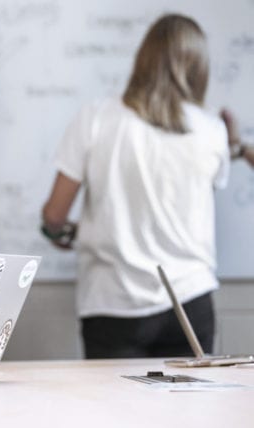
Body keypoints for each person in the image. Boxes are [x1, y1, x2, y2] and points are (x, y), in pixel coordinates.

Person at [40, 14, 229, 359]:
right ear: (199, 67)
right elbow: (194, 204)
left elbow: (55, 214)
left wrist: (60, 233)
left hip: (113, 302)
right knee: (192, 413)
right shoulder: (211, 128)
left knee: (114, 413)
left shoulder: (96, 117)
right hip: (190, 299)